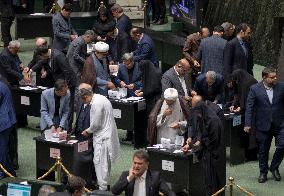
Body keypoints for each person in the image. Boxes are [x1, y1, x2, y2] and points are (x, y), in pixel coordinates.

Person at [244, 67, 284, 183]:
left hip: (280, 123)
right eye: (272, 77)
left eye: (275, 76)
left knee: (282, 145)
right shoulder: (255, 89)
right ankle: (263, 172)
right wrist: (247, 123)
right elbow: (249, 107)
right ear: (264, 78)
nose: (275, 78)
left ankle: (274, 166)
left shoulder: (281, 87)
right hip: (263, 124)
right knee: (263, 150)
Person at [80, 83, 120, 190]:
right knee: (106, 163)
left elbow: (96, 124)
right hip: (107, 135)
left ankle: (102, 188)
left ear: (85, 97)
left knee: (100, 163)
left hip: (102, 138)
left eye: (84, 101)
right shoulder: (100, 97)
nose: (85, 104)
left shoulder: (96, 104)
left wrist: (87, 131)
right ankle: (105, 184)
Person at [183, 98, 223, 195]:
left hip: (214, 154)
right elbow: (201, 133)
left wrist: (200, 142)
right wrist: (191, 143)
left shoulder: (214, 121)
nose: (198, 115)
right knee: (207, 180)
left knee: (212, 181)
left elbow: (213, 141)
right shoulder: (203, 116)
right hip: (206, 152)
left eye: (198, 113)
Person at [111, 150, 175, 196]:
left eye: (140, 164)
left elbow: (168, 192)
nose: (136, 166)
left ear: (147, 165)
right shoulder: (126, 175)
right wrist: (129, 178)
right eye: (135, 163)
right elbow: (115, 191)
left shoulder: (155, 176)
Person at [72, 83, 96, 188]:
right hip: (78, 135)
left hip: (90, 138)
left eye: (81, 91)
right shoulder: (80, 101)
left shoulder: (95, 105)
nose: (79, 94)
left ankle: (89, 181)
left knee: (86, 161)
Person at [0, 80, 17, 179]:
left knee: (2, 149)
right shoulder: (3, 84)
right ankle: (10, 171)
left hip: (4, 123)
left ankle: (3, 174)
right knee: (4, 149)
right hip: (8, 121)